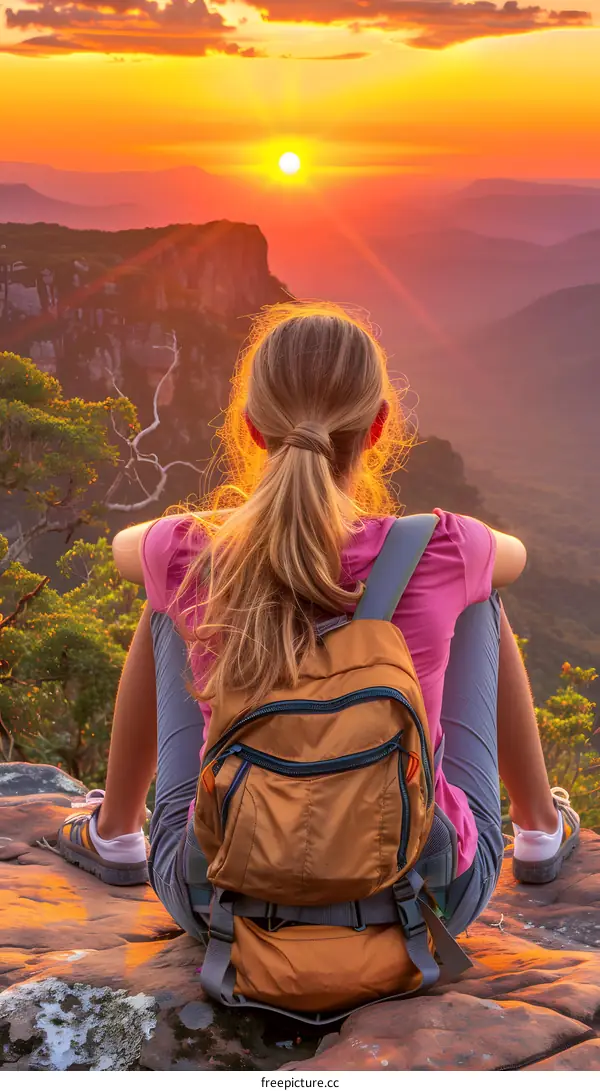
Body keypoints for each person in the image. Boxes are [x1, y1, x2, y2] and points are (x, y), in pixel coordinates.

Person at [58, 301, 579, 942]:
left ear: (251, 428)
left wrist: (221, 536)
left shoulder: (188, 548)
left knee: (167, 600)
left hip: (220, 907)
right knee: (483, 598)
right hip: (426, 902)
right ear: (380, 426)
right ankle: (540, 830)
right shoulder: (447, 547)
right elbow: (515, 558)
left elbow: (124, 550)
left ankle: (114, 834)